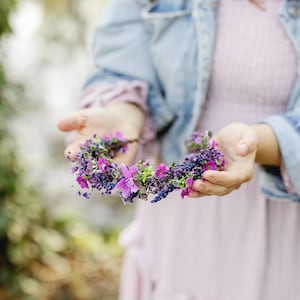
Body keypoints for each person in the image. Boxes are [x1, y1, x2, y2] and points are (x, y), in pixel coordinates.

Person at [57, 0, 300, 299]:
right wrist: (125, 114)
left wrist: (257, 142)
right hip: (177, 222)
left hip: (282, 232)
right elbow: (124, 64)